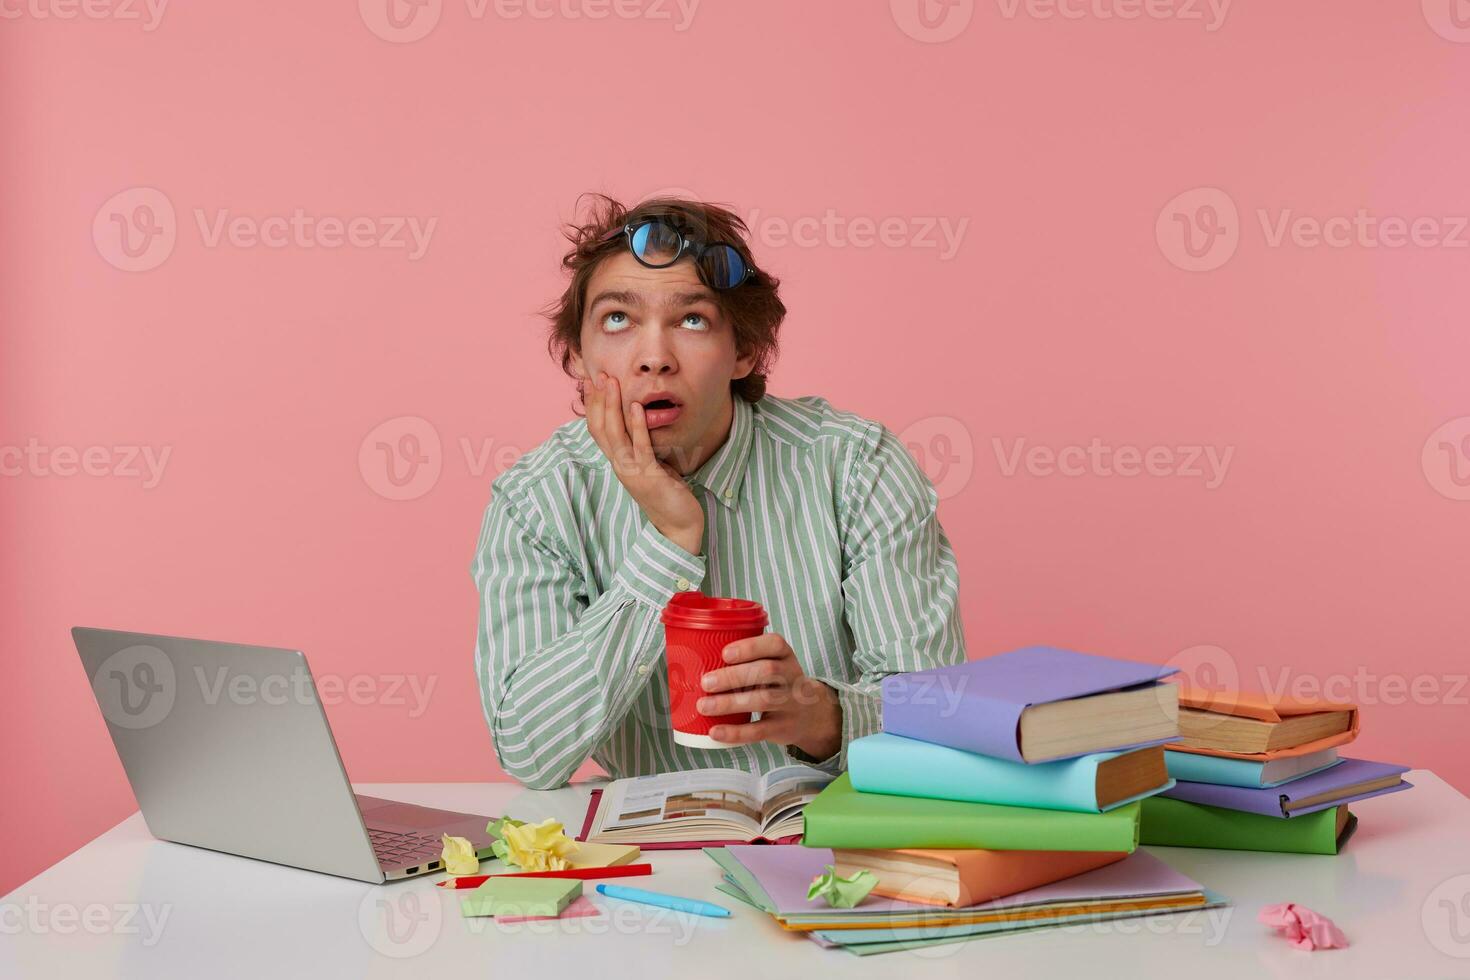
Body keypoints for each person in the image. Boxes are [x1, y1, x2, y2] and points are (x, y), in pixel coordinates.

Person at [471, 193, 965, 789]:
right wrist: (670, 543)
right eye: (619, 320)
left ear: (746, 351)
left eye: (692, 319)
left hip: (829, 833)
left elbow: (938, 716)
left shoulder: (856, 466)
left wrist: (820, 716)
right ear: (578, 357)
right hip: (645, 847)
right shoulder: (539, 499)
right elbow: (528, 749)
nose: (655, 358)